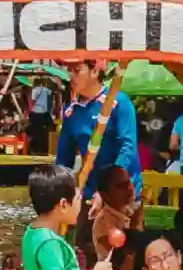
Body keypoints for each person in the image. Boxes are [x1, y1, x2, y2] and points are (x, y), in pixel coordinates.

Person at [55, 60, 142, 204]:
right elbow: (64, 159)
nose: (70, 76)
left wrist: (107, 191)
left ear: (95, 72)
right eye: (69, 70)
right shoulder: (71, 112)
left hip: (123, 195)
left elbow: (128, 147)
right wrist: (61, 192)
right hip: (88, 192)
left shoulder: (118, 102)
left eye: (77, 71)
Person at [91, 164, 139, 260]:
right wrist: (135, 224)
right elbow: (119, 255)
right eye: (120, 186)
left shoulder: (130, 211)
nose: (128, 188)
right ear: (104, 194)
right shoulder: (104, 221)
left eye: (128, 182)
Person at [27, 77, 56, 154]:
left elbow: (32, 102)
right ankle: (46, 148)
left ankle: (36, 149)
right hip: (45, 112)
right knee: (47, 130)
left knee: (36, 131)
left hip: (36, 112)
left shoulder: (35, 90)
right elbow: (51, 101)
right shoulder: (47, 90)